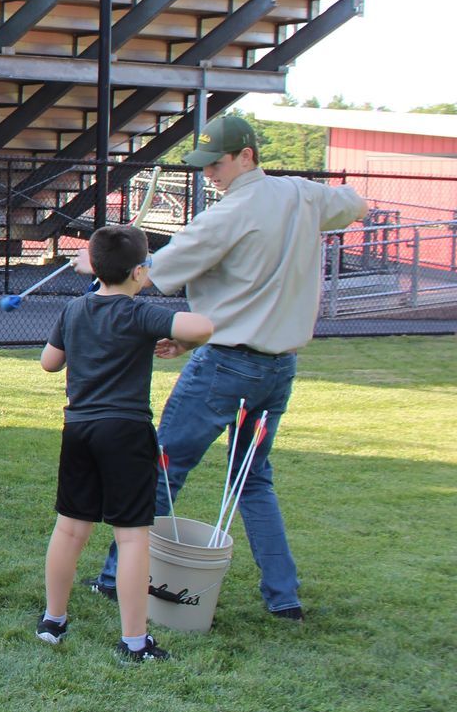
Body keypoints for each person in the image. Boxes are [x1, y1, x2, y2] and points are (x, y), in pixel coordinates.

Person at [92, 114, 367, 620]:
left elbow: (147, 276)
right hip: (275, 370)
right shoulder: (303, 195)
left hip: (224, 371)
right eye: (204, 166)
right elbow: (353, 204)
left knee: (164, 471)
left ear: (247, 156)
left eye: (216, 164)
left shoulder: (226, 215)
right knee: (253, 480)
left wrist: (96, 266)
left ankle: (114, 579)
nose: (210, 175)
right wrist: (197, 339)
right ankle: (283, 598)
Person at [38, 224, 213, 662]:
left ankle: (53, 621)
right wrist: (180, 342)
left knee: (70, 528)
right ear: (140, 272)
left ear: (94, 267)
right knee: (133, 537)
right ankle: (134, 642)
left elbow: (48, 362)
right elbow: (203, 325)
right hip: (127, 433)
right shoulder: (140, 313)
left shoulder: (74, 310)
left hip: (79, 430)